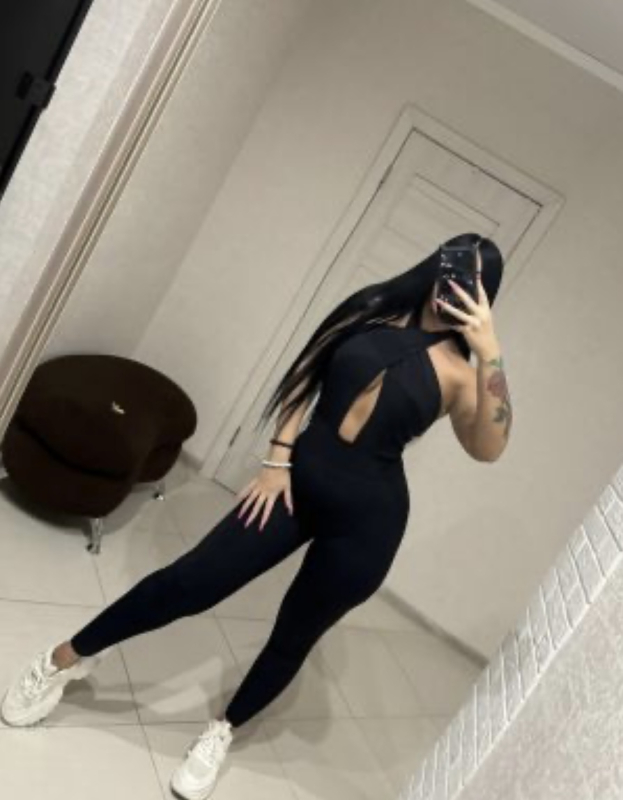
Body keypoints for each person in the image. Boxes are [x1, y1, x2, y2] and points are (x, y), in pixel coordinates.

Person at [2, 232, 511, 800]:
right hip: (294, 487)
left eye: (474, 281)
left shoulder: (462, 373)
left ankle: (222, 730)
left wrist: (489, 350)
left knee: (295, 633)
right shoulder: (372, 311)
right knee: (190, 582)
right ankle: (64, 659)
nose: (456, 287)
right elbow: (305, 378)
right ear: (437, 266)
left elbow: (489, 447)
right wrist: (276, 460)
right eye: (454, 269)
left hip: (369, 521)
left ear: (485, 294)